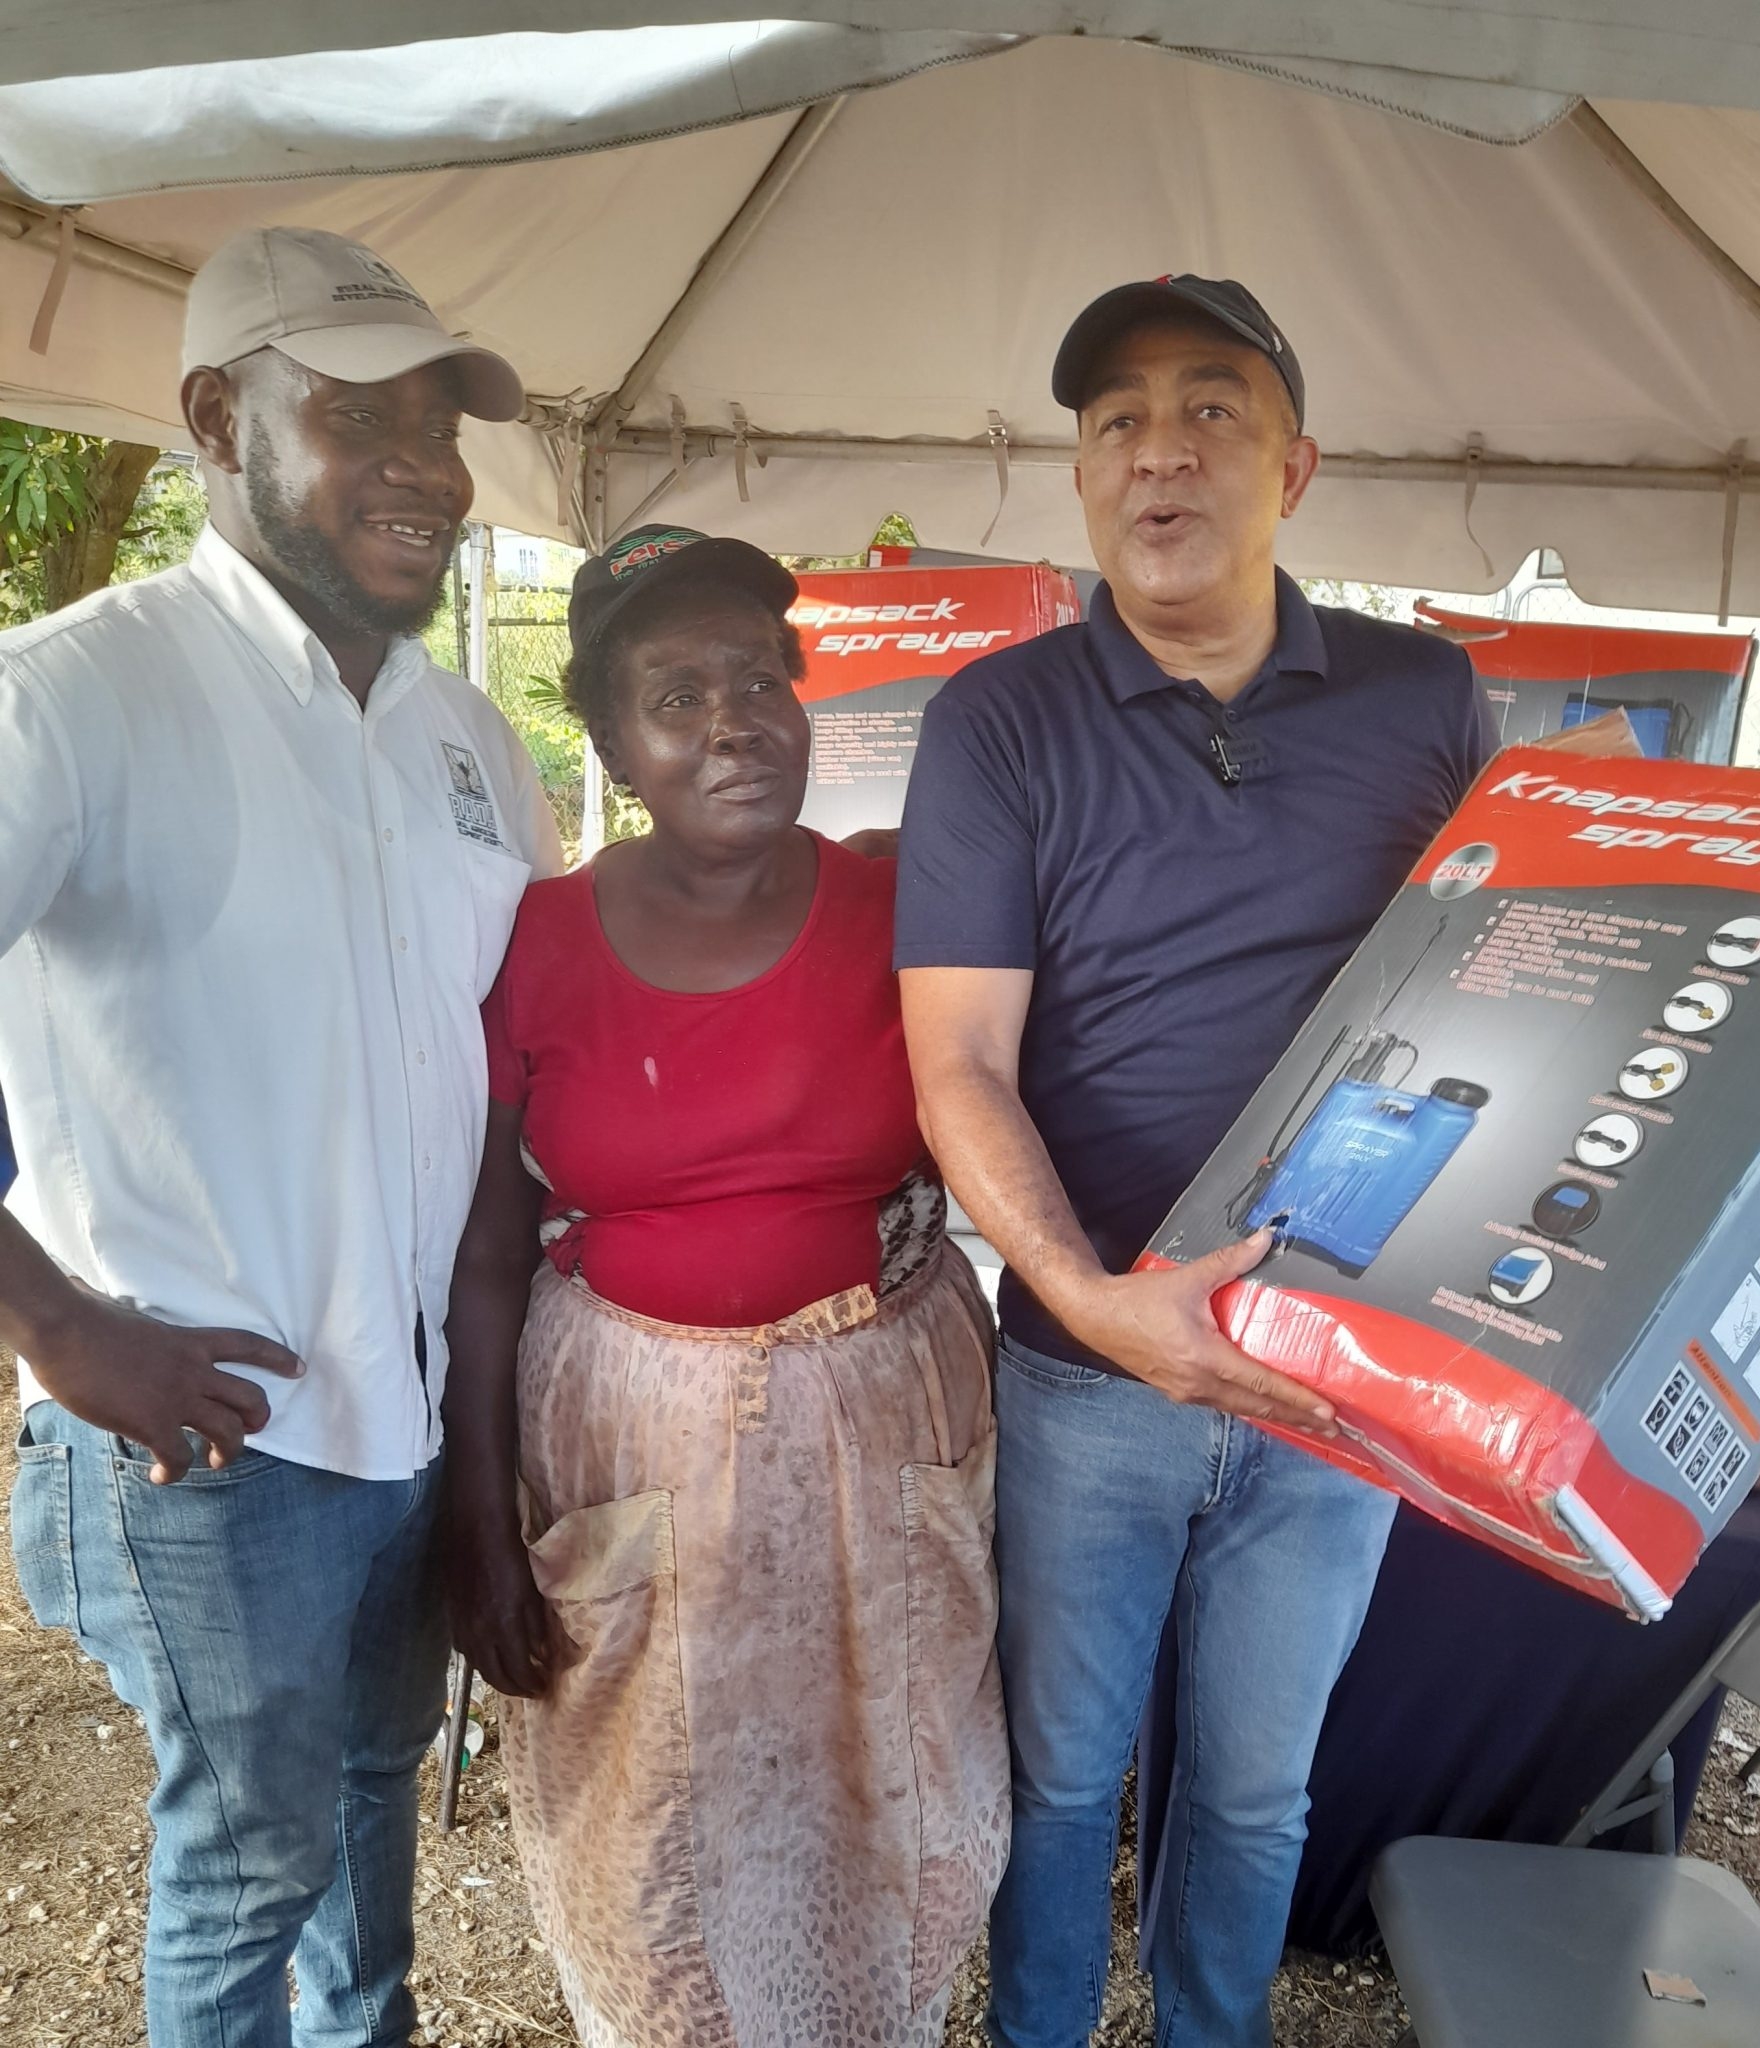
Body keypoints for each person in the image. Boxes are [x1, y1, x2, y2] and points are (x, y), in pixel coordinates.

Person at [896, 275, 1496, 2048]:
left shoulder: (1426, 699)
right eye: (1118, 422)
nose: (1161, 452)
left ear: (1293, 468)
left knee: (1252, 1794)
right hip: (1085, 1380)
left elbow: (1498, 996)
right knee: (1061, 1780)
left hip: (1334, 1381)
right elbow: (958, 1062)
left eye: (1211, 410)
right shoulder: (996, 721)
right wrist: (1092, 1299)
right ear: (1082, 477)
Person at [1, 226, 561, 2048]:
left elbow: (505, 1064)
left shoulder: (471, 738)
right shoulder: (72, 696)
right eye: (359, 417)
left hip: (418, 1421)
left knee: (368, 1802)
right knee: (249, 1869)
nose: (426, 468)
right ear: (213, 419)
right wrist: (60, 1328)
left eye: (440, 426)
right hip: (218, 1444)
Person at [443, 524, 1008, 2048]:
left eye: (760, 680)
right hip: (629, 1449)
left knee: (891, 1787)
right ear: (612, 745)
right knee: (653, 1821)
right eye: (676, 696)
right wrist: (476, 1520)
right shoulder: (541, 942)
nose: (732, 722)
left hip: (880, 1441)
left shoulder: (909, 914)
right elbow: (489, 1249)